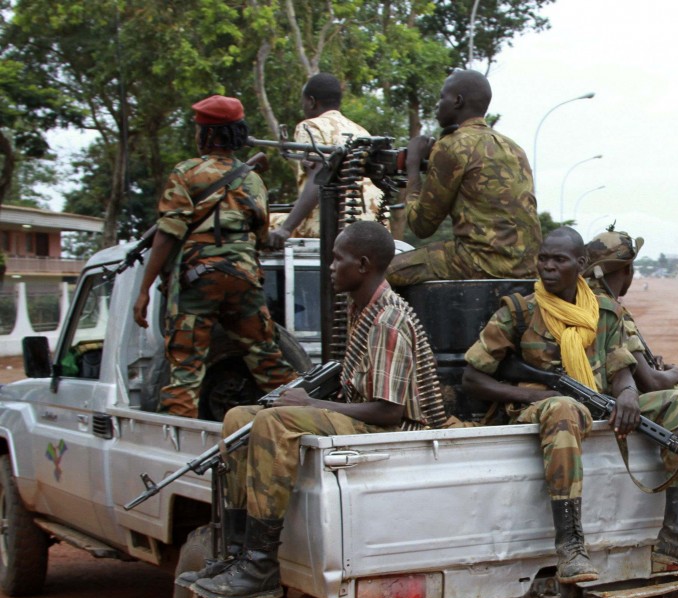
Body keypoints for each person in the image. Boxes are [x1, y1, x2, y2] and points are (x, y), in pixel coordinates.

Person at [186, 221, 450, 598]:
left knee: (278, 420)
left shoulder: (388, 319)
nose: (330, 267)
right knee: (239, 419)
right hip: (366, 418)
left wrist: (310, 405)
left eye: (336, 259)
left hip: (395, 431)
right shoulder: (360, 307)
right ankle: (237, 552)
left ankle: (261, 565)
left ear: (361, 265)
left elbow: (390, 411)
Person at [462, 227, 678, 584]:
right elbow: (473, 378)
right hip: (541, 409)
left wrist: (629, 395)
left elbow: (621, 369)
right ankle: (571, 546)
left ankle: (677, 534)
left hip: (597, 403)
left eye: (560, 260)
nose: (549, 267)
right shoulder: (520, 312)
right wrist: (537, 395)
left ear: (581, 264)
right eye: (544, 259)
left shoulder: (604, 313)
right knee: (563, 408)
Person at [133, 95, 295, 418]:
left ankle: (181, 450)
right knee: (268, 361)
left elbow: (167, 233)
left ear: (207, 134)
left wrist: (144, 289)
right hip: (244, 280)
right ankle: (303, 419)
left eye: (198, 129)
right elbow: (261, 236)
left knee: (185, 368)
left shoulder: (187, 173)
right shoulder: (253, 180)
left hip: (198, 280)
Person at [386, 69, 540, 287]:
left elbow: (421, 226)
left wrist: (412, 166)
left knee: (377, 273)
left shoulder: (452, 145)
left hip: (479, 263)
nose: (437, 105)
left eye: (442, 97)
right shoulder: (514, 148)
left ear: (457, 101)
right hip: (527, 267)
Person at [584, 228, 678, 411]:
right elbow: (651, 382)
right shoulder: (611, 309)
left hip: (594, 396)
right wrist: (675, 372)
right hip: (617, 402)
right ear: (627, 269)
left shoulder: (582, 298)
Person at [268, 73, 385, 248]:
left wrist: (286, 229)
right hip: (373, 227)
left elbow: (318, 177)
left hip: (333, 227)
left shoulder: (310, 126)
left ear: (312, 102)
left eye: (304, 103)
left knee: (263, 224)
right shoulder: (361, 131)